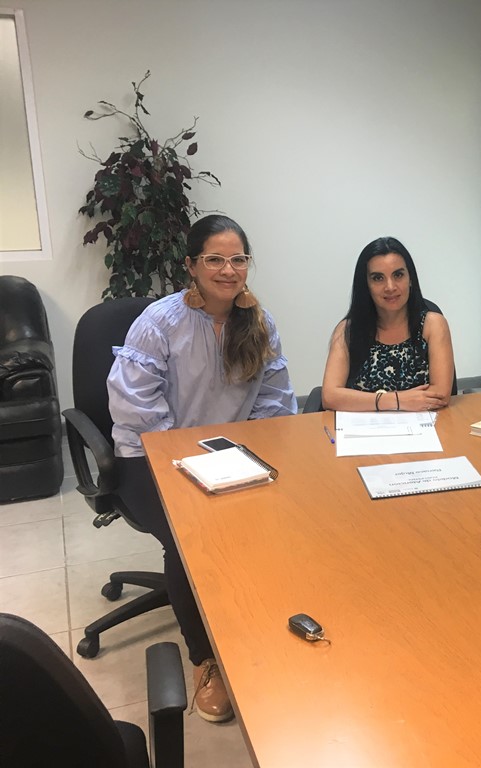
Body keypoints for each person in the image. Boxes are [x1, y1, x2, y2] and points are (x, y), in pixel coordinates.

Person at [107, 214, 297, 723]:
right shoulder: (159, 323)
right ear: (191, 265)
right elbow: (136, 408)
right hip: (151, 458)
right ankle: (204, 658)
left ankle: (254, 626)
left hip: (231, 456)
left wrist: (253, 452)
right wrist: (186, 460)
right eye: (215, 259)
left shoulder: (258, 322)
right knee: (188, 537)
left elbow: (274, 401)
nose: (228, 270)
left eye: (238, 259)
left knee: (276, 515)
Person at [322, 236, 454, 411]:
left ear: (410, 279)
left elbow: (441, 394)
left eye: (398, 275)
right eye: (378, 278)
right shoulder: (348, 331)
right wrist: (398, 400)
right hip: (365, 425)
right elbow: (330, 396)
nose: (390, 287)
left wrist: (370, 401)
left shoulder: (433, 325)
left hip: (424, 424)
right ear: (366, 285)